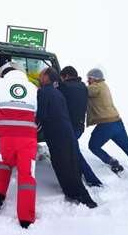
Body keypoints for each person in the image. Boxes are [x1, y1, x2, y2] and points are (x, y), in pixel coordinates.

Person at [0, 62, 38, 229]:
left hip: (7, 138)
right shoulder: (33, 87)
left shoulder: (0, 83)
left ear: (5, 73)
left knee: (4, 166)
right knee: (26, 176)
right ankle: (25, 219)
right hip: (28, 139)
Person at [37, 67, 97, 208]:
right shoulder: (57, 92)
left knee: (62, 164)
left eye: (41, 74)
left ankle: (79, 196)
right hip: (66, 131)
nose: (39, 76)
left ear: (46, 77)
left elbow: (41, 115)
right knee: (70, 163)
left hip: (57, 134)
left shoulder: (45, 92)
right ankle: (78, 194)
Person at [86, 68, 128, 184]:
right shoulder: (104, 86)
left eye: (89, 78)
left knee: (93, 146)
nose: (88, 81)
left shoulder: (96, 87)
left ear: (95, 78)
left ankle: (113, 163)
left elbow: (83, 90)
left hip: (107, 125)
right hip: (117, 122)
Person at [59, 66, 103, 187]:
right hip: (79, 127)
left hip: (69, 127)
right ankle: (79, 174)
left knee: (74, 152)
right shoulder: (83, 87)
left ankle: (93, 180)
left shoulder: (64, 87)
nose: (61, 80)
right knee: (72, 151)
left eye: (62, 77)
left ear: (66, 76)